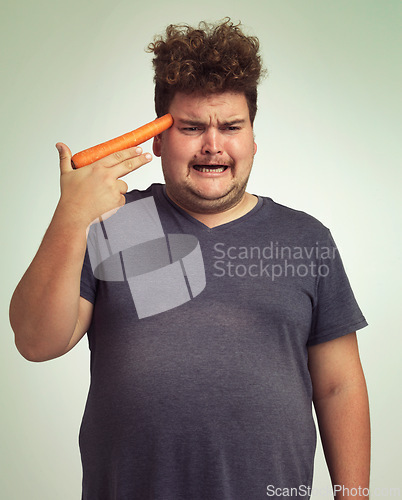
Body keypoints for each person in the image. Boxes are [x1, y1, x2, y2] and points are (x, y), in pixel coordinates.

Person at [10, 19, 370, 499]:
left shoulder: (305, 239)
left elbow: (338, 387)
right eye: (192, 127)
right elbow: (36, 341)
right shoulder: (114, 222)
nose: (213, 145)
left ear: (254, 139)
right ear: (158, 141)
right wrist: (69, 217)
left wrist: (354, 496)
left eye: (231, 127)